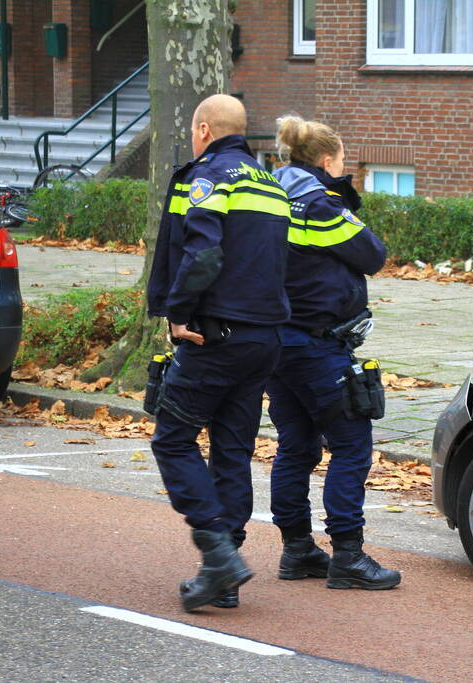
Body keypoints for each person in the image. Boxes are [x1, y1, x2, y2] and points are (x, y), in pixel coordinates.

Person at [146, 94, 291, 611]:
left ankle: (217, 553)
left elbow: (202, 252)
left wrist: (178, 312)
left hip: (216, 336)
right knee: (232, 451)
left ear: (204, 129)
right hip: (265, 337)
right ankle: (224, 577)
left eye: (192, 131)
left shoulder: (209, 177)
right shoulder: (269, 182)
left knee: (173, 440)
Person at [266, 115, 400, 590]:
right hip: (317, 344)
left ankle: (297, 551)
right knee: (351, 444)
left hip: (275, 343)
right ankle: (347, 555)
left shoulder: (267, 196)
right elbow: (372, 254)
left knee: (296, 446)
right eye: (342, 160)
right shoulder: (319, 206)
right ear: (326, 160)